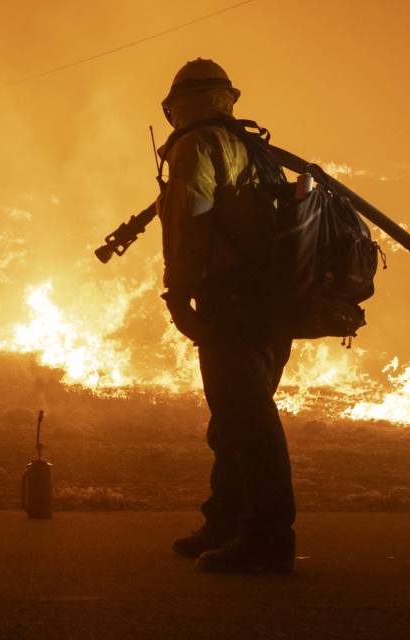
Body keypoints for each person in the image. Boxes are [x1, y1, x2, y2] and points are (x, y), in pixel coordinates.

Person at [157, 59, 297, 573]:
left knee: (246, 418)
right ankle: (227, 522)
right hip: (271, 304)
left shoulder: (196, 146)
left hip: (232, 302)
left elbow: (190, 223)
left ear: (181, 106)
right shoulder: (253, 147)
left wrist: (178, 295)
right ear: (227, 98)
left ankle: (267, 539)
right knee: (234, 417)